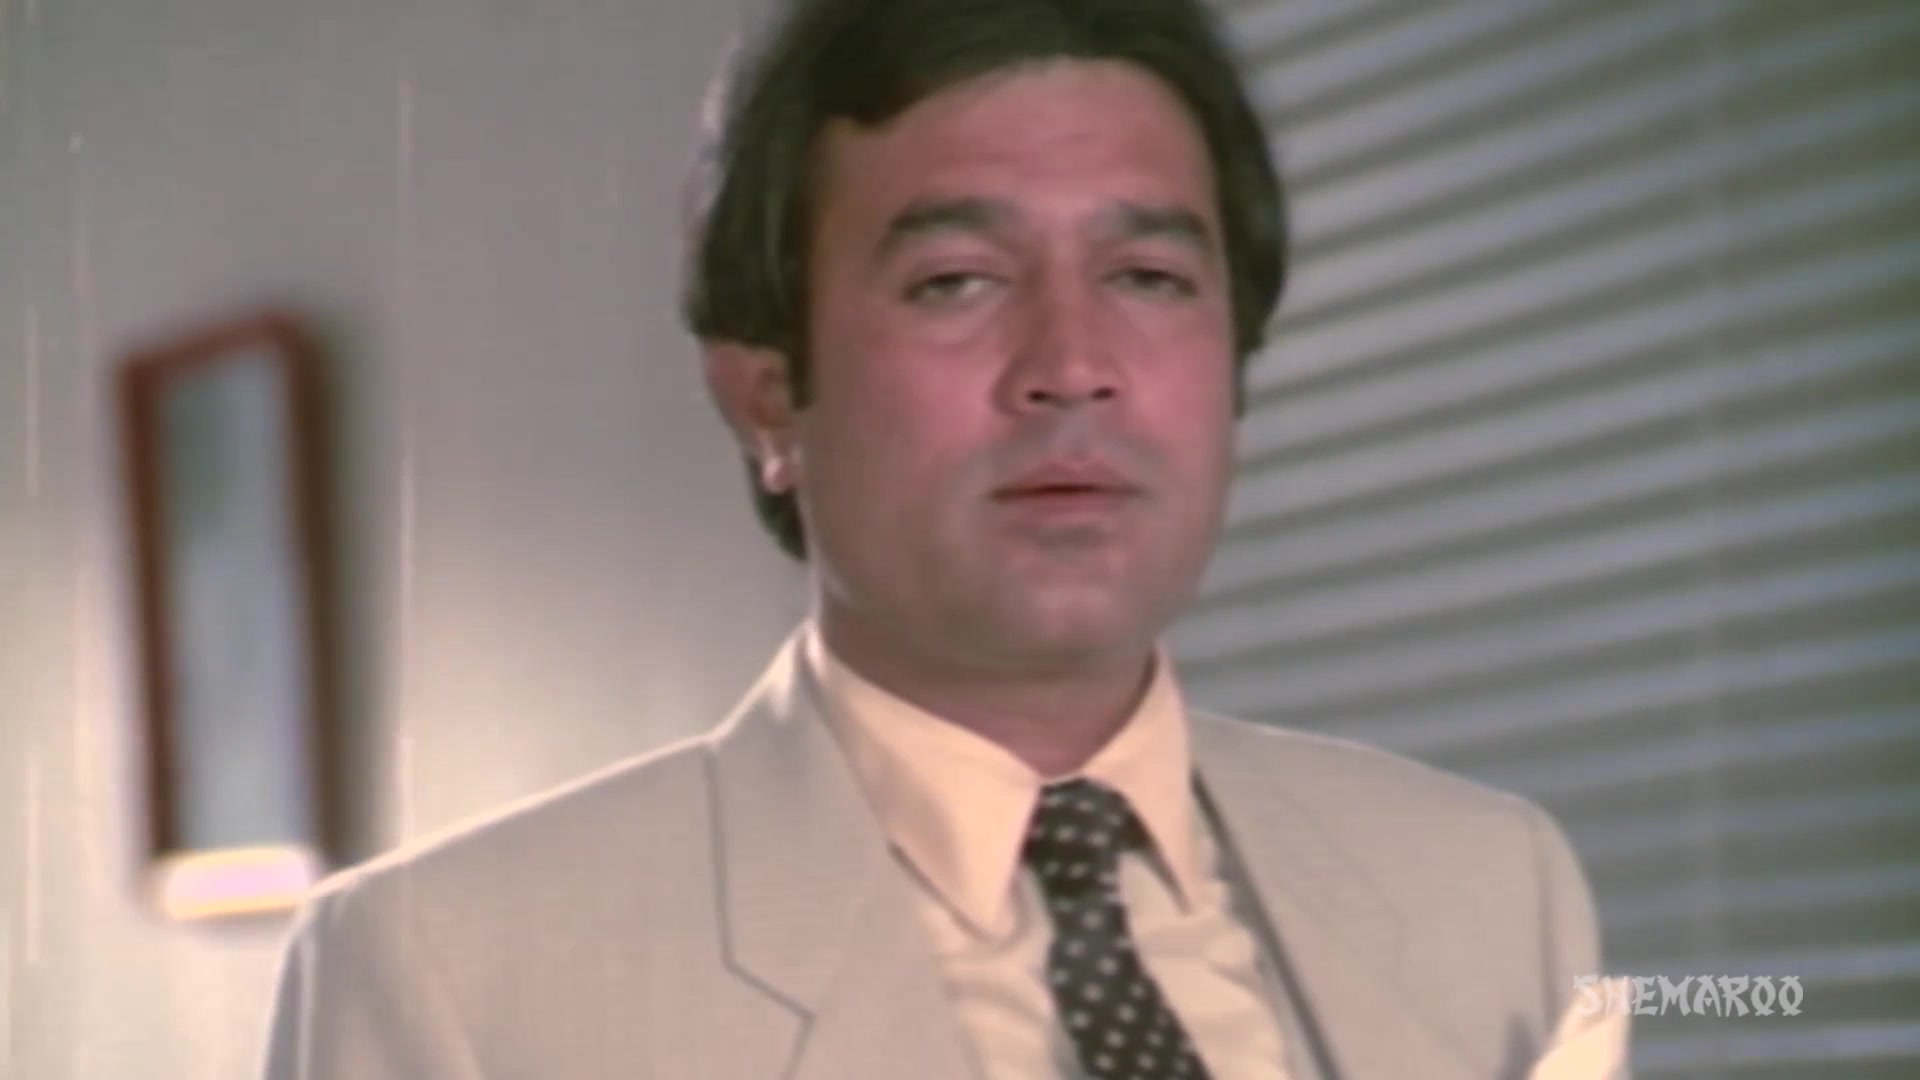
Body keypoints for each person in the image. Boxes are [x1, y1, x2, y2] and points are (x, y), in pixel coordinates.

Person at [261, 1, 1606, 1077]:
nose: (1072, 367)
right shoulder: (457, 976)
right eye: (957, 282)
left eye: (1148, 278)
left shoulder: (1496, 892)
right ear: (767, 395)